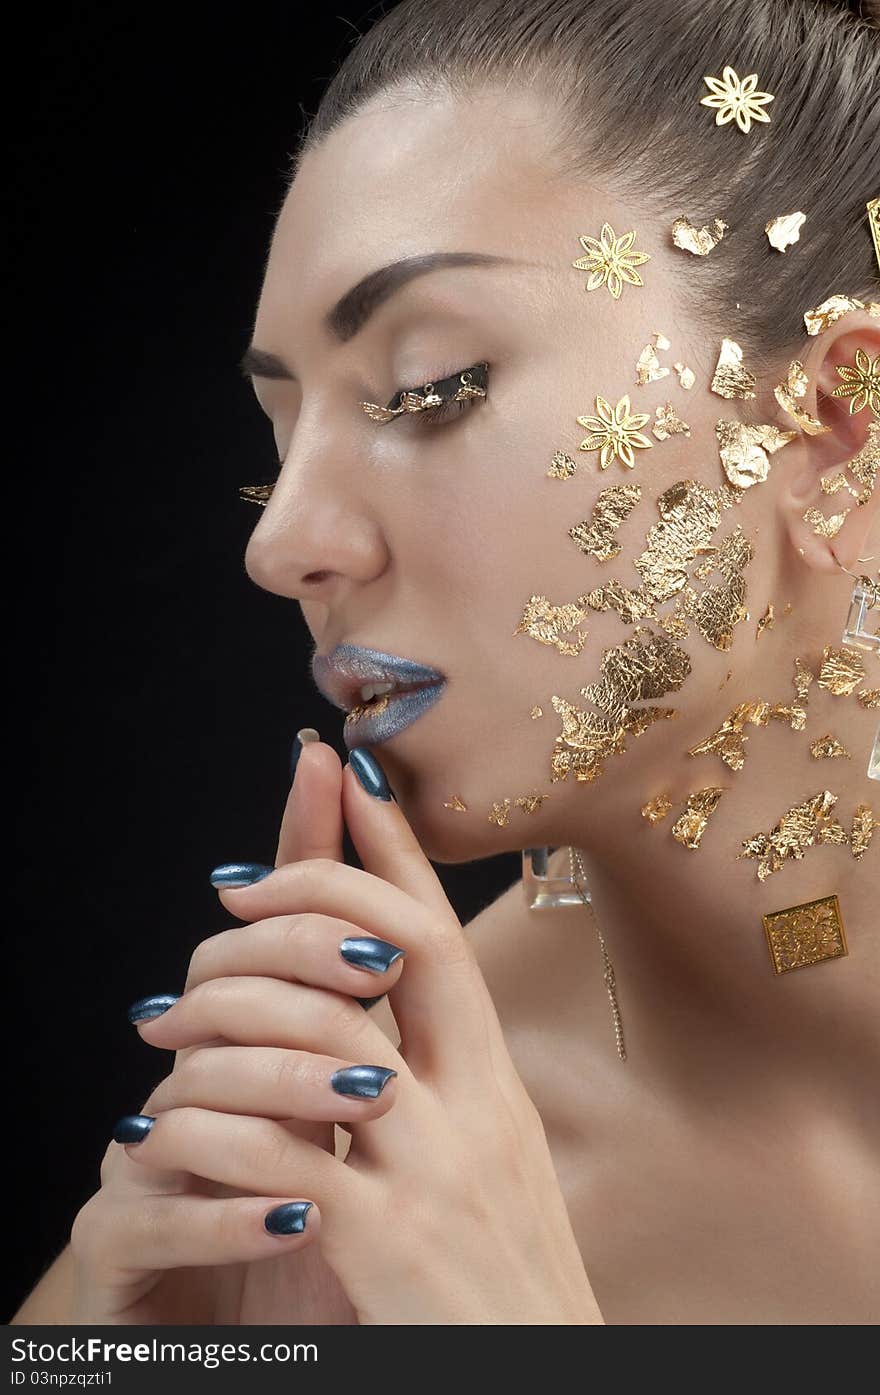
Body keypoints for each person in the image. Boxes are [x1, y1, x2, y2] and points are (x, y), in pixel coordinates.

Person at [13, 0, 879, 1326]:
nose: (284, 544)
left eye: (429, 387)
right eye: (277, 434)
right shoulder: (332, 1185)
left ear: (834, 423)